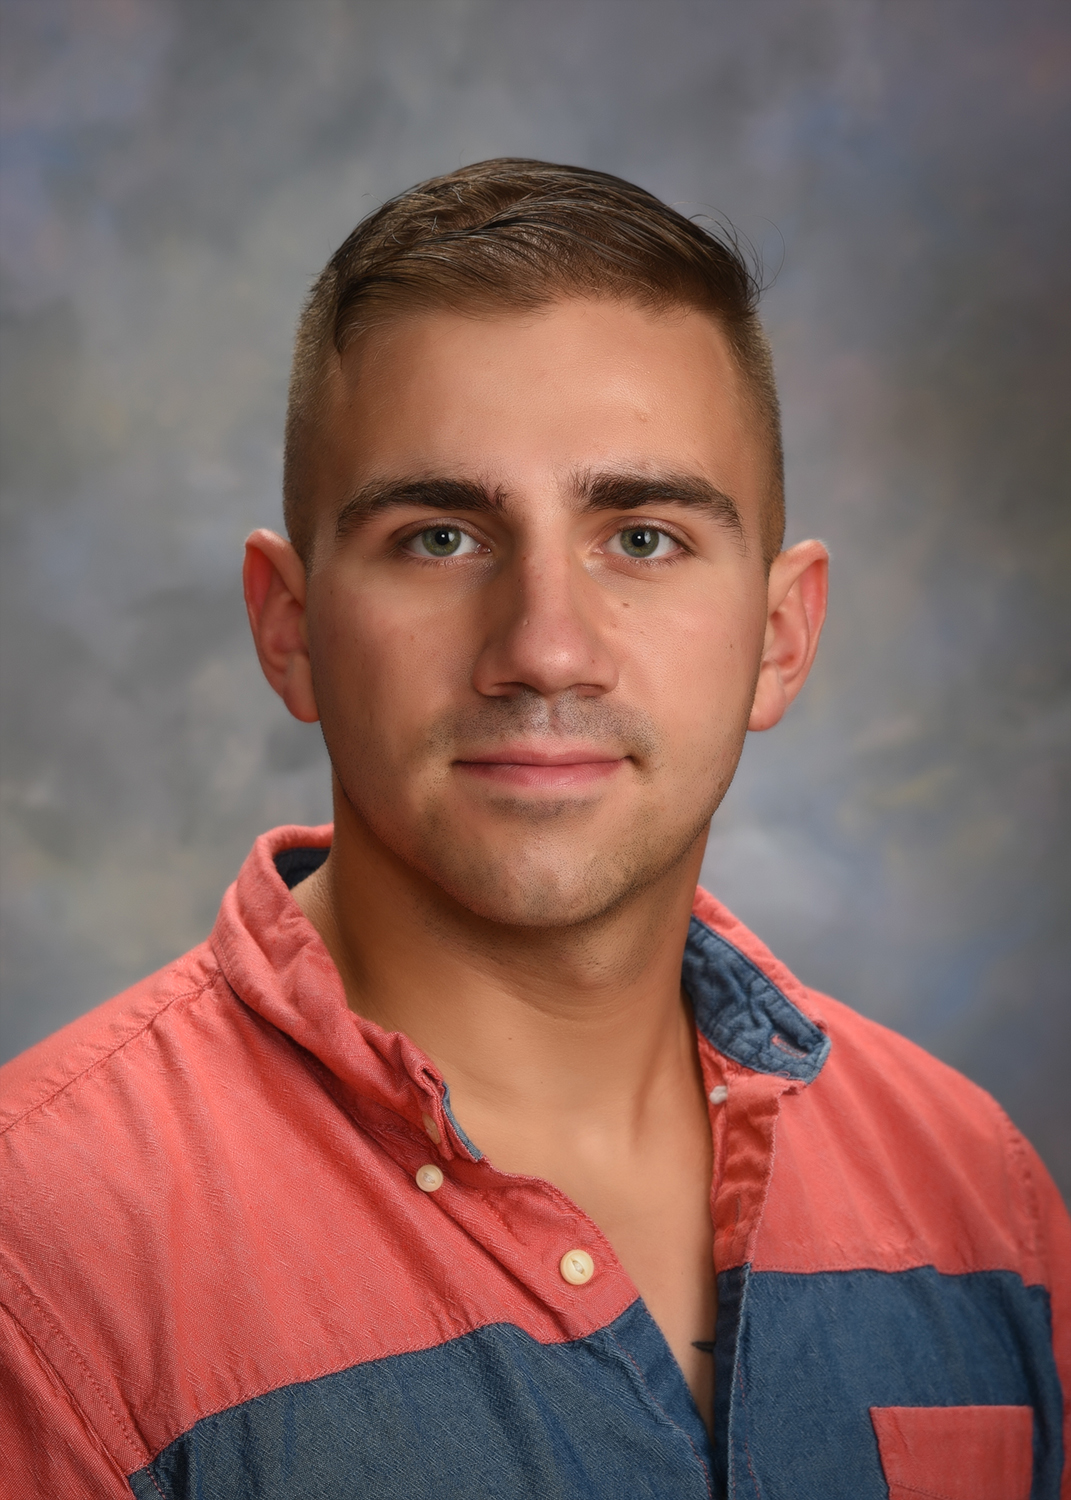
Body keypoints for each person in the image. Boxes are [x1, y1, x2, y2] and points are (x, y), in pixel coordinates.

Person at [0, 159, 1066, 1500]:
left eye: (645, 538)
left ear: (781, 637)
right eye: (440, 538)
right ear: (291, 628)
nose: (547, 648)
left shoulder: (977, 1190)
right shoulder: (41, 1258)